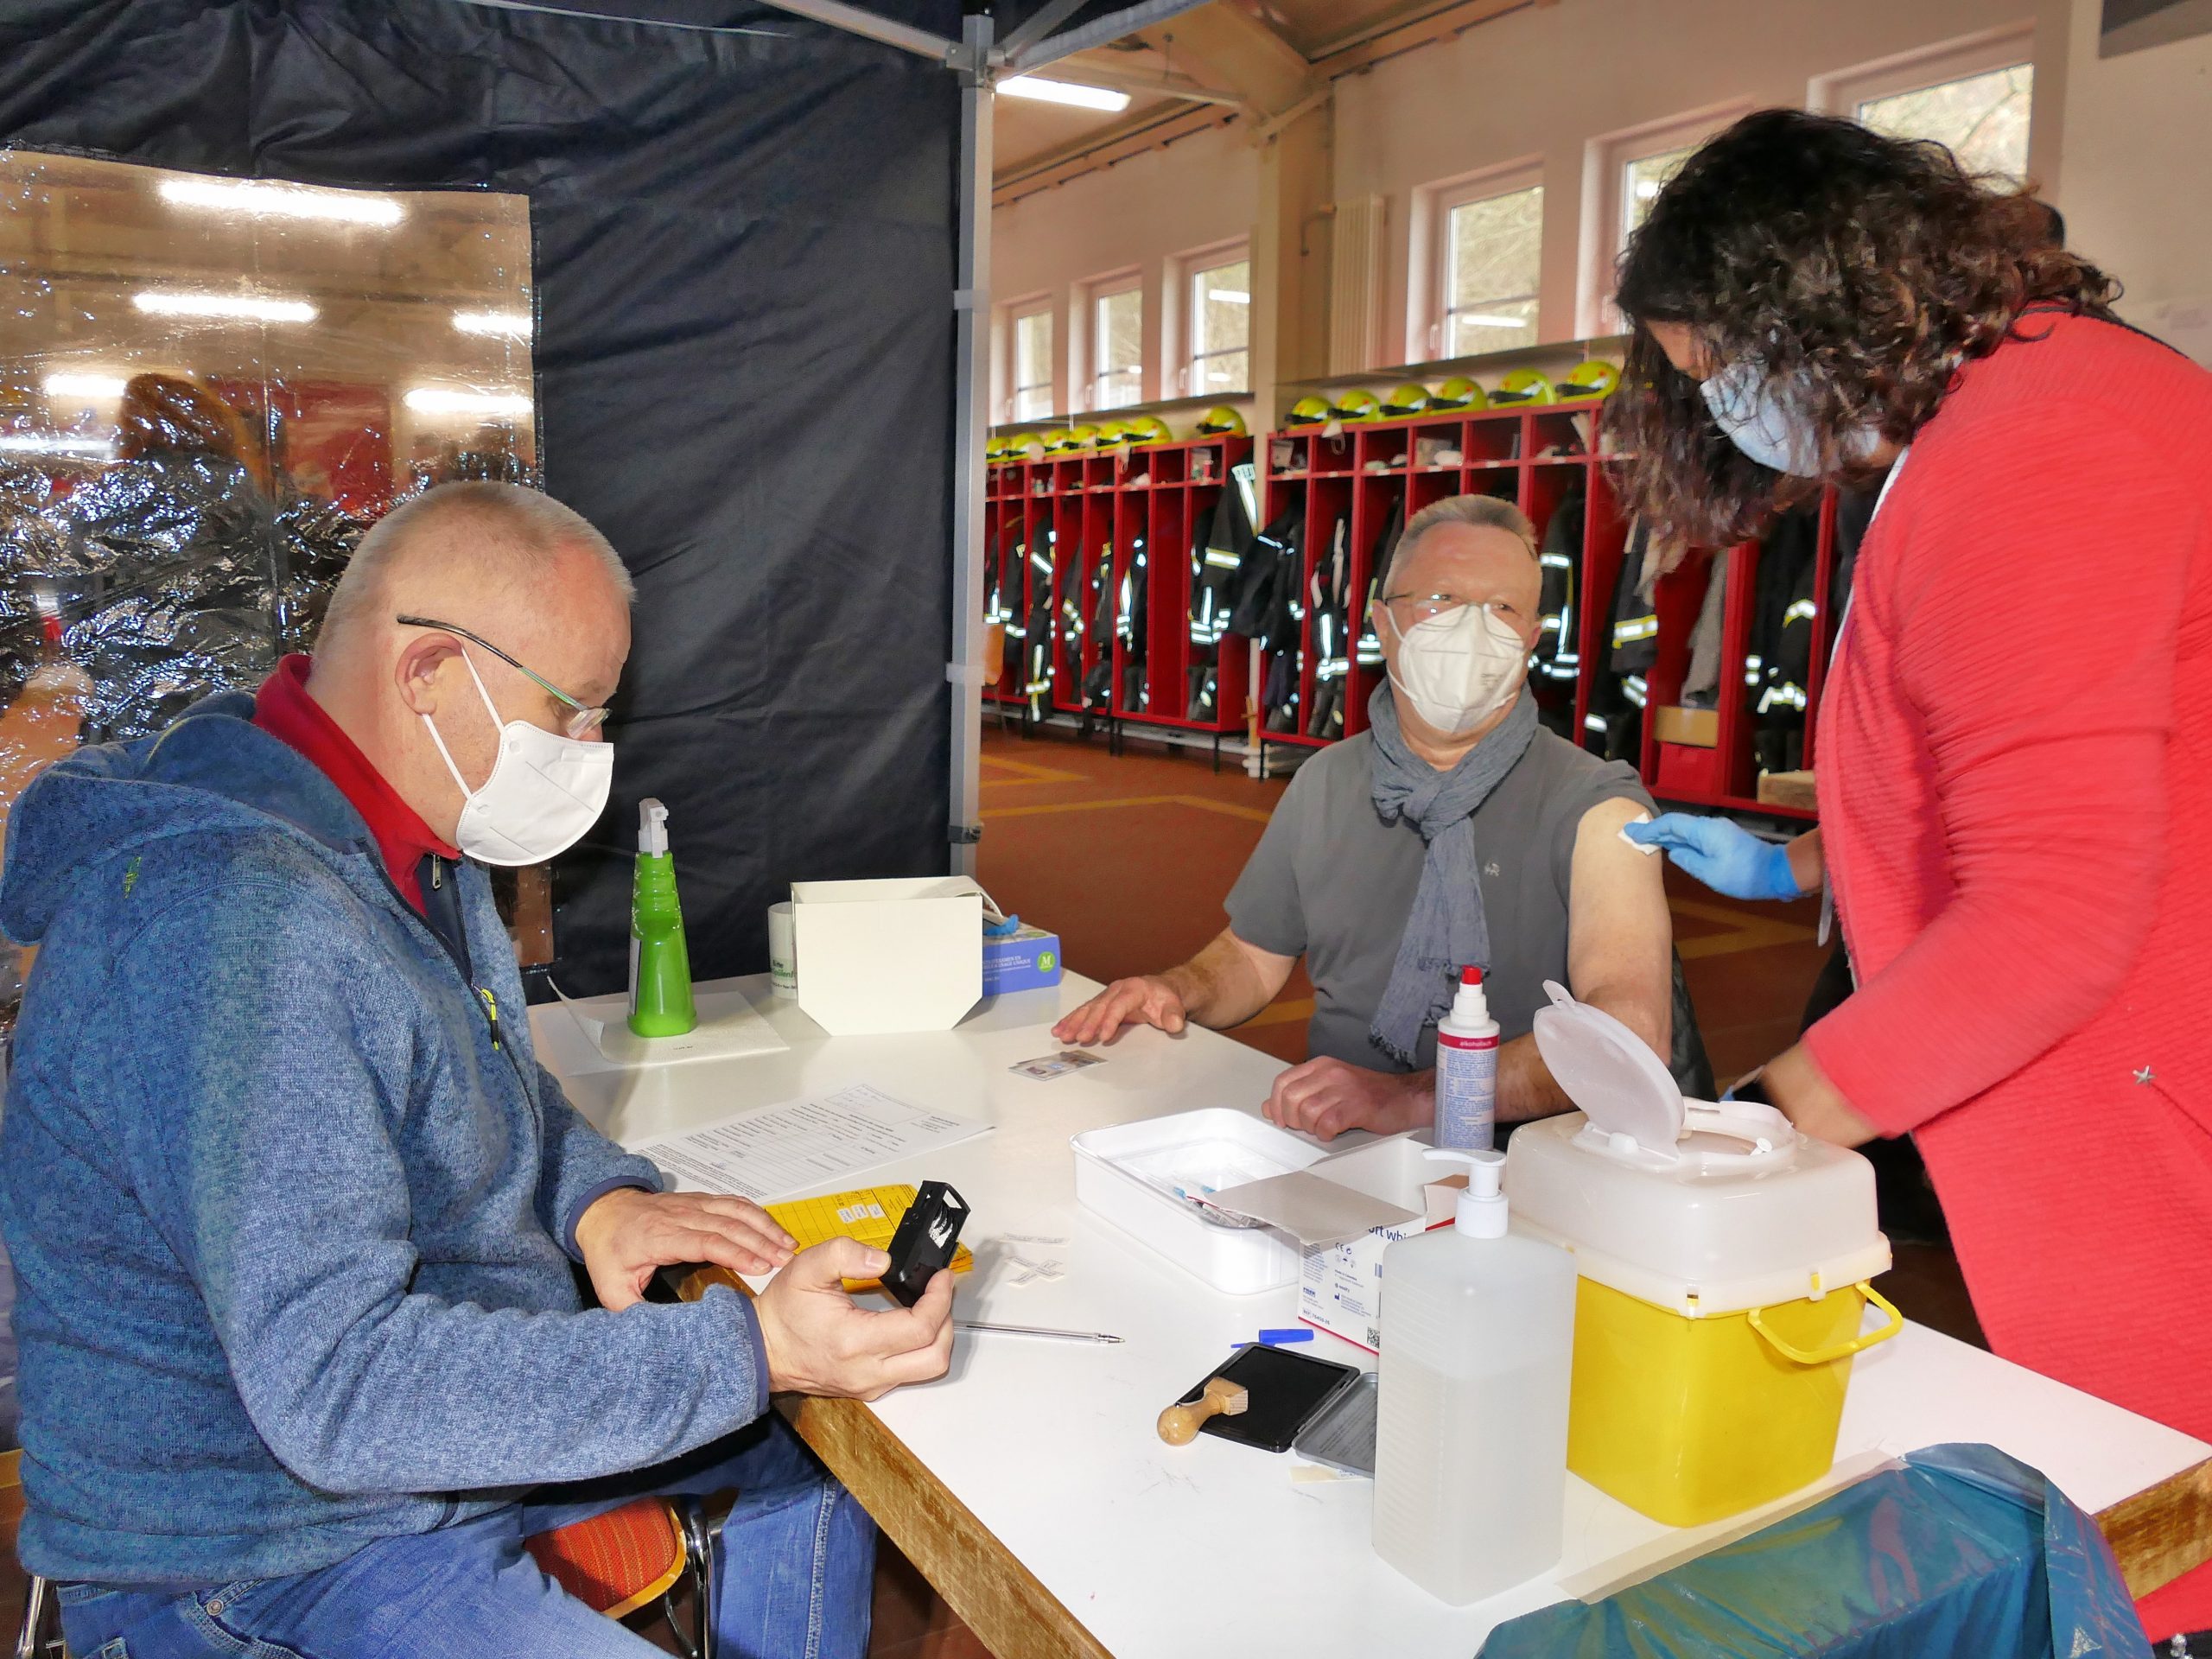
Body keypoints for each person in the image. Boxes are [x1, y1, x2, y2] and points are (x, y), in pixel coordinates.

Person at [0, 482, 955, 1658]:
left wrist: (594, 1201)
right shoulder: (239, 921)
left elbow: (479, 1091)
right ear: (429, 674)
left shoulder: (397, 842)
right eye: (572, 709)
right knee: (776, 1388)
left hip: (396, 1457)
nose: (592, 750)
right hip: (261, 1550)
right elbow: (342, 1389)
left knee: (812, 1453)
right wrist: (749, 1350)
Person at [1608, 110, 2212, 1641]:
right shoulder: (2038, 398)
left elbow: (2058, 910)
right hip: (2133, 1055)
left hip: (2148, 1099)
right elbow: (2053, 771)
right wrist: (1812, 861)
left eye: (1721, 369)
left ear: (1818, 299)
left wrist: (1769, 1122)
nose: (1724, 408)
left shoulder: (2036, 447)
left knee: (2163, 1531)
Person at [1055, 493, 1689, 1140]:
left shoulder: (1599, 809)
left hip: (1519, 1164)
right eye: (1442, 599)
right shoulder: (1325, 782)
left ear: (1530, 640)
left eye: (1502, 608)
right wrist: (1177, 988)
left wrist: (1411, 1098)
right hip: (1339, 1140)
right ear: (1384, 626)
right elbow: (1252, 958)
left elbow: (1631, 1035)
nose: (1472, 630)